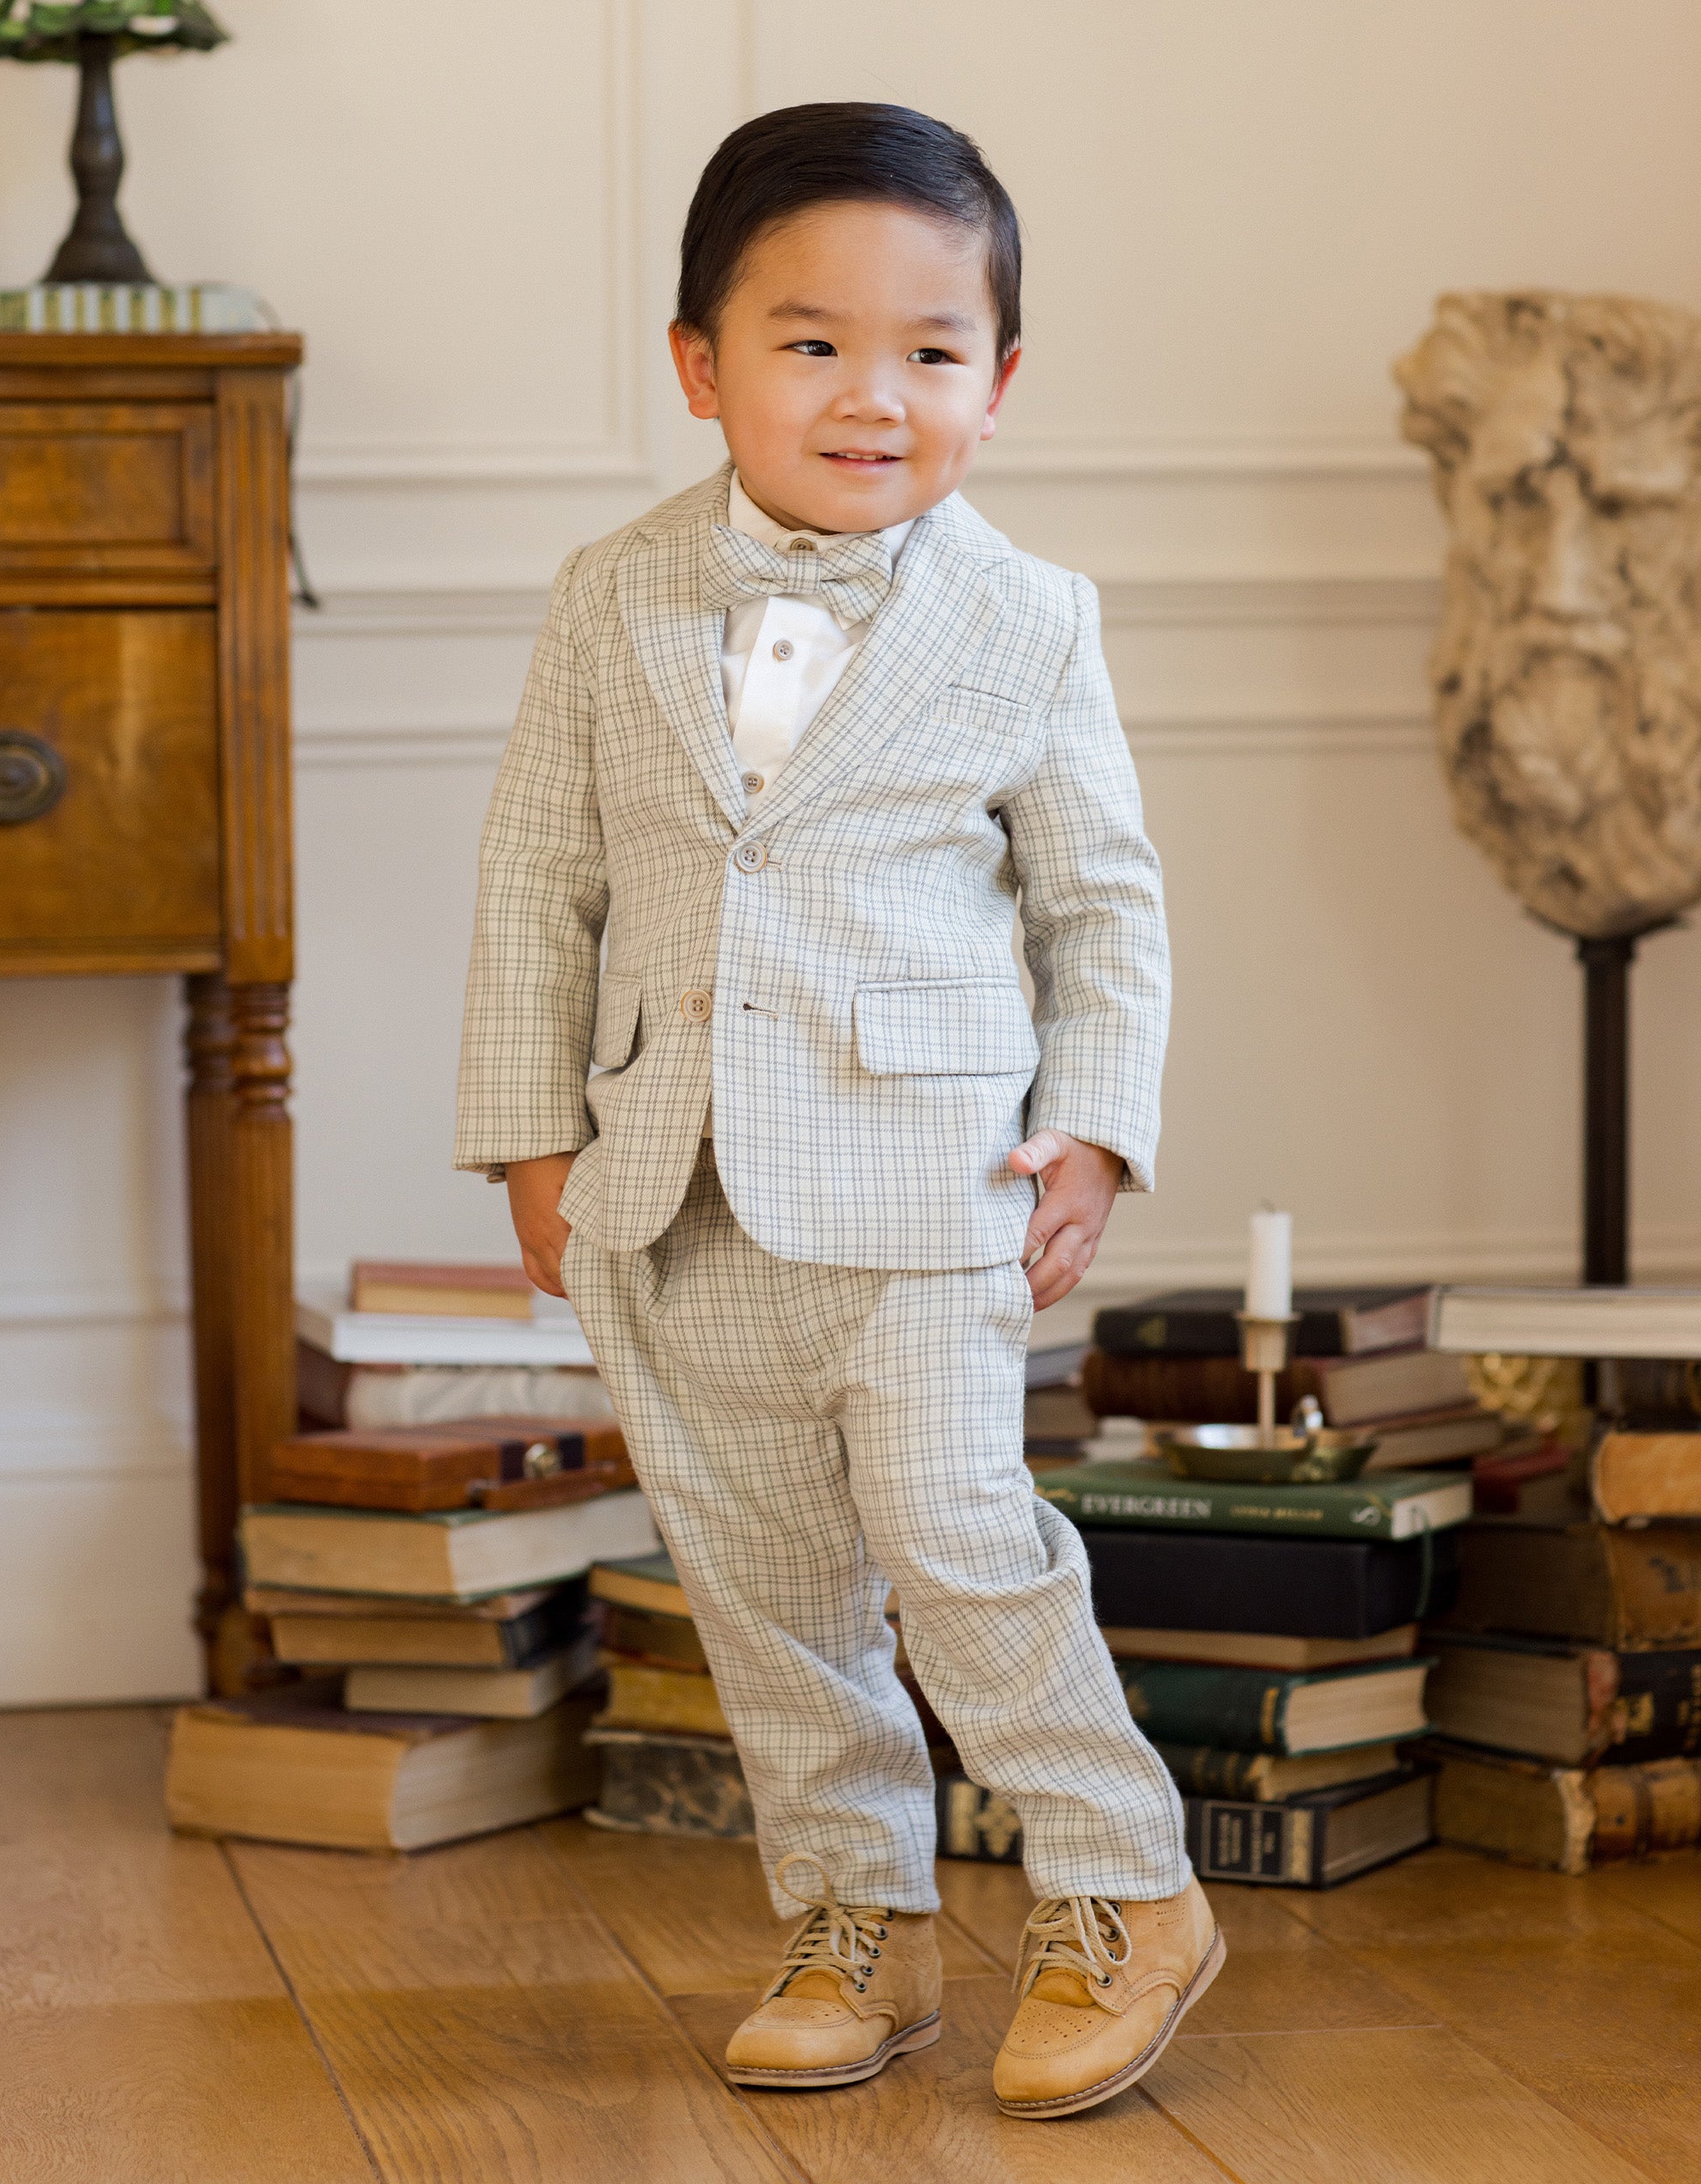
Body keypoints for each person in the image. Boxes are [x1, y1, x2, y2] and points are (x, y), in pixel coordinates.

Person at [456, 100, 1222, 2122]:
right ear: (700, 362)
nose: (872, 394)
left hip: (930, 1174)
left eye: (928, 350)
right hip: (672, 1173)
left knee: (964, 1539)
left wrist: (1096, 1128)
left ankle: (1122, 1884)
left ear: (1000, 380)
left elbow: (1100, 900)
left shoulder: (1028, 615)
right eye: (810, 343)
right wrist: (532, 1136)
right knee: (765, 1577)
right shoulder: (608, 592)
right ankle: (854, 1913)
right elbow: (539, 878)